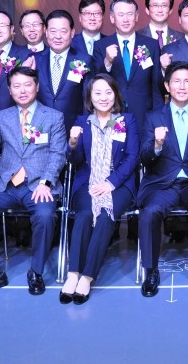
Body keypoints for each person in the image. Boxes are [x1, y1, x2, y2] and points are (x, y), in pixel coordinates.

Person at [0, 66, 67, 297]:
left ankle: (36, 271)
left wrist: (46, 182)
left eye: (27, 85)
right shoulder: (2, 117)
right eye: (16, 86)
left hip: (38, 184)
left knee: (45, 216)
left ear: (37, 87)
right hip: (6, 184)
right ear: (10, 90)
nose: (22, 90)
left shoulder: (53, 117)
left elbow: (58, 154)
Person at [138, 62, 188, 297]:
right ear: (167, 86)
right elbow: (145, 159)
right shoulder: (153, 117)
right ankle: (151, 270)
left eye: (187, 81)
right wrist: (157, 145)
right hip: (163, 184)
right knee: (150, 212)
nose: (182, 86)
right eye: (176, 81)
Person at [61, 74, 139, 304]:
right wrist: (72, 144)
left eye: (108, 92)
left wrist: (110, 183)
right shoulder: (82, 122)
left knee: (105, 216)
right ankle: (73, 274)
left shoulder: (126, 120)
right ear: (90, 97)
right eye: (97, 93)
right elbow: (75, 161)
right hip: (87, 181)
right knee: (84, 214)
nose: (103, 97)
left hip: (119, 184)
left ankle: (87, 277)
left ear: (115, 94)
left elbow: (132, 157)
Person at [93, 0, 163, 122]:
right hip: (111, 113)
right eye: (120, 15)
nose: (125, 19)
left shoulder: (151, 45)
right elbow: (96, 81)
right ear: (112, 18)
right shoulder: (101, 46)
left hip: (143, 114)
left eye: (130, 14)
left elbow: (156, 86)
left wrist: (158, 119)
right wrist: (107, 61)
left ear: (136, 17)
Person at [34, 9, 93, 132]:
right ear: (46, 32)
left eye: (63, 31)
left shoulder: (84, 60)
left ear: (72, 32)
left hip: (72, 127)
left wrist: (84, 127)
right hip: (40, 128)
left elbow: (87, 98)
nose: (58, 36)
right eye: (53, 31)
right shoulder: (35, 60)